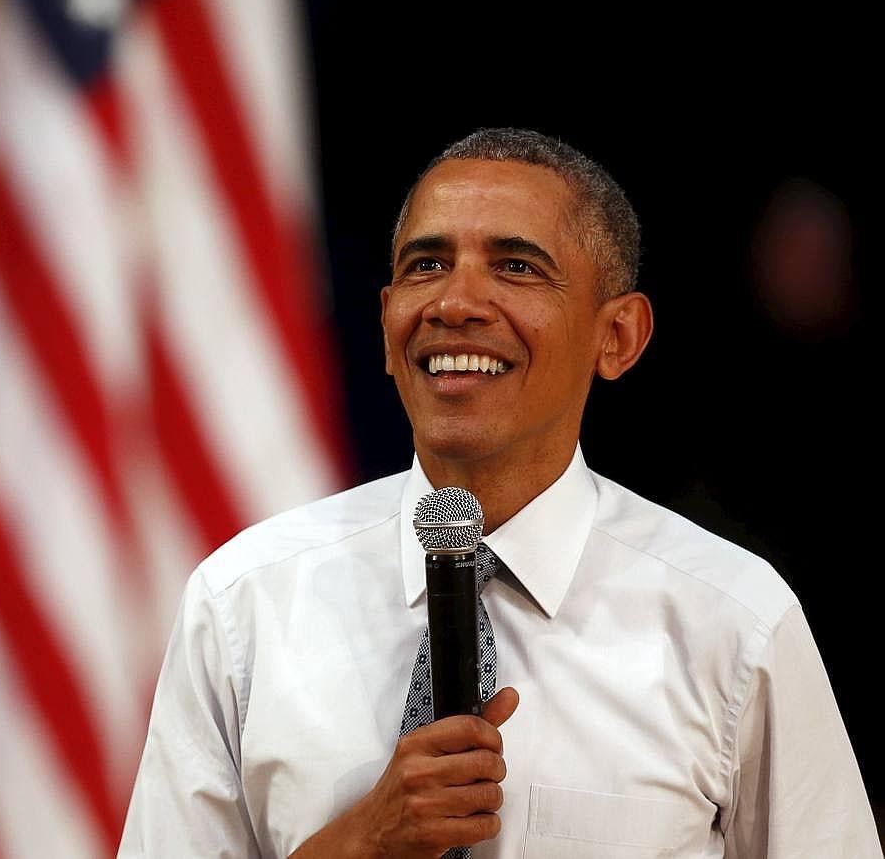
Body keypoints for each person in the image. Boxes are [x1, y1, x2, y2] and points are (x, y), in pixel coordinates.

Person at [116, 128, 879, 857]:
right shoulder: (241, 604)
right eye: (426, 265)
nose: (455, 303)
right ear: (386, 327)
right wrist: (363, 845)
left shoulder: (733, 622)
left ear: (617, 337)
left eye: (516, 266)